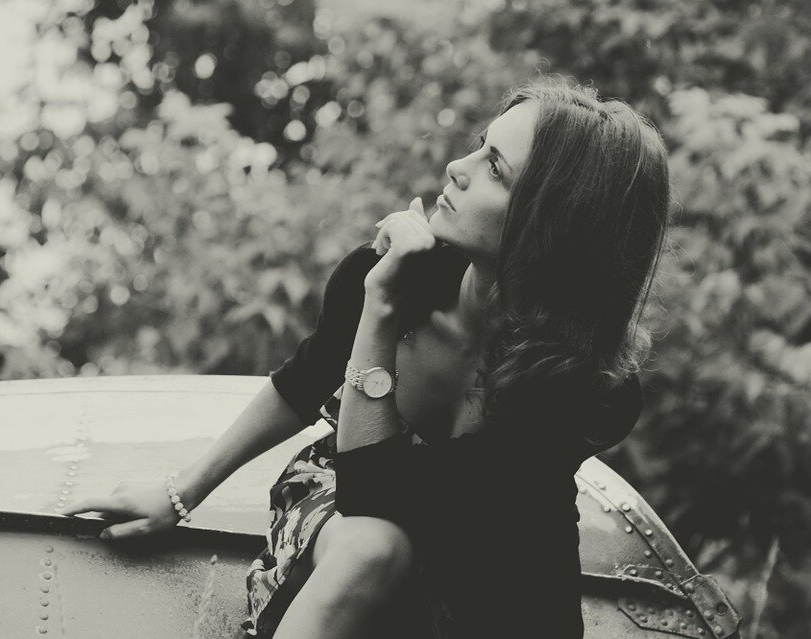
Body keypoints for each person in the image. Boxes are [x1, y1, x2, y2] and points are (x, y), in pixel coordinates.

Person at [62, 76, 671, 638]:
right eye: (478, 146)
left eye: (494, 168)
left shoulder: (592, 390)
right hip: (348, 505)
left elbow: (483, 532)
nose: (456, 168)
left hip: (486, 540)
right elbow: (319, 414)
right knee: (375, 547)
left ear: (554, 225)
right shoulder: (389, 276)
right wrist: (180, 495)